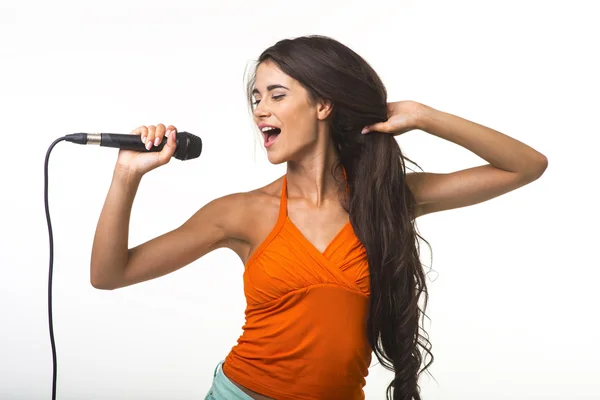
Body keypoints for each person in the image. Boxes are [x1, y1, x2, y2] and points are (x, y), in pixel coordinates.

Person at [90, 35, 548, 400]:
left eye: (276, 94)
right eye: (255, 98)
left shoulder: (387, 199)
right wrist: (127, 176)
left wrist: (424, 116)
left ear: (323, 105)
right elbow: (110, 274)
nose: (260, 110)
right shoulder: (241, 212)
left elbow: (526, 166)